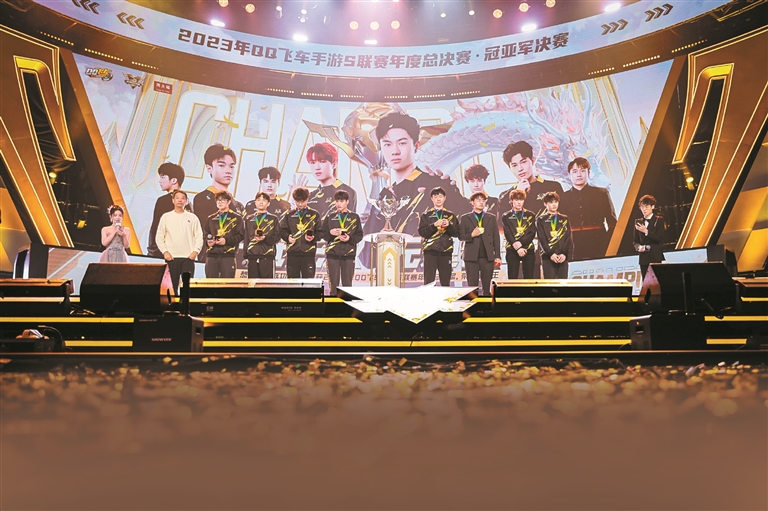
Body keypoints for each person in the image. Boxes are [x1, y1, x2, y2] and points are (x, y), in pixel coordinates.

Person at [364, 112, 470, 237]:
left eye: (402, 143)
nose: (395, 151)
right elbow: (368, 239)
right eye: (387, 144)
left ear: (416, 146)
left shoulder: (436, 185)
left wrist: (453, 195)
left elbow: (468, 224)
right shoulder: (386, 195)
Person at [193, 144, 245, 262]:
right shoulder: (202, 199)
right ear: (209, 168)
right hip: (209, 259)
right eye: (221, 165)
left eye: (231, 166)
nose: (228, 170)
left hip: (232, 261)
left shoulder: (238, 205)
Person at [559, 157, 617, 261]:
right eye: (574, 171)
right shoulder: (562, 197)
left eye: (582, 170)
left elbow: (612, 222)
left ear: (588, 173)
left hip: (599, 245)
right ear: (569, 175)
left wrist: (607, 243)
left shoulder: (601, 193)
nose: (579, 175)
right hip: (571, 247)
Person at [498, 141, 564, 217]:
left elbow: (565, 219)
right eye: (514, 165)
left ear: (532, 160)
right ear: (510, 168)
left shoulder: (553, 187)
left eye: (523, 162)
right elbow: (504, 223)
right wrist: (518, 194)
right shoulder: (504, 198)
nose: (520, 169)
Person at [156, 190, 203, 293]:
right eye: (177, 198)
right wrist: (165, 252)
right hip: (171, 257)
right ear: (173, 200)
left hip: (188, 257)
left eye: (183, 198)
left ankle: (185, 304)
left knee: (187, 288)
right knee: (171, 288)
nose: (180, 200)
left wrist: (195, 252)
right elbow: (159, 237)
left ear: (186, 201)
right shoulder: (166, 217)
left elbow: (199, 236)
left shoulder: (192, 217)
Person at [459, 192, 501, 296]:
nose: (481, 202)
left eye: (483, 200)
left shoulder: (491, 217)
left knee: (487, 286)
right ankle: (473, 304)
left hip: (487, 256)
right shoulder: (465, 218)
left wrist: (497, 256)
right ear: (472, 202)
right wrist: (471, 235)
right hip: (471, 256)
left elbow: (496, 238)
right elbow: (461, 236)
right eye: (478, 200)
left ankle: (486, 304)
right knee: (472, 287)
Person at [322, 190, 364, 296]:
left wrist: (349, 238)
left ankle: (347, 305)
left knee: (347, 285)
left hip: (348, 255)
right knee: (333, 286)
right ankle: (332, 306)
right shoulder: (330, 217)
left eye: (341, 201)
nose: (339, 204)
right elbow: (323, 235)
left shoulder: (354, 217)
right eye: (337, 201)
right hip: (332, 255)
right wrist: (330, 233)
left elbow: (359, 235)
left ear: (347, 201)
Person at [418, 187, 459, 286]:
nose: (438, 199)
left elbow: (456, 233)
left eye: (440, 196)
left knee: (445, 281)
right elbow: (422, 232)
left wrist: (449, 226)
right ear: (432, 199)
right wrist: (434, 225)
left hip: (446, 252)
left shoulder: (451, 215)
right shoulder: (426, 215)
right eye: (435, 196)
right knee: (429, 281)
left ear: (445, 198)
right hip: (430, 252)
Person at [306, 142, 357, 221]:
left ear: (334, 164)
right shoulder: (311, 196)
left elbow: (348, 223)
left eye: (322, 161)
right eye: (313, 162)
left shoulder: (347, 191)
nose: (317, 167)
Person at [280, 187, 323, 279]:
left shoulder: (314, 214)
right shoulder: (289, 215)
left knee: (308, 283)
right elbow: (282, 231)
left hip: (309, 254)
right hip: (292, 254)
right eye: (297, 201)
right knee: (292, 283)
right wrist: (287, 237)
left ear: (307, 199)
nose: (300, 204)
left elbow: (320, 232)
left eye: (302, 201)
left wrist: (313, 238)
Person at [202, 191, 244, 278]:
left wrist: (226, 241)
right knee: (210, 283)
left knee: (227, 283)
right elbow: (206, 234)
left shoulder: (236, 218)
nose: (220, 202)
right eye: (218, 200)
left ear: (229, 201)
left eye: (223, 200)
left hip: (228, 256)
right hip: (212, 255)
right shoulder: (211, 218)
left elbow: (241, 235)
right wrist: (208, 242)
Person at [147, 162, 185, 258]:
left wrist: (152, 250)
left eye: (163, 177)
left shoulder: (163, 200)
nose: (160, 181)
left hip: (162, 252)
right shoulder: (187, 202)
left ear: (174, 180)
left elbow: (156, 227)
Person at [500, 189, 537, 279]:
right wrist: (517, 248)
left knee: (529, 278)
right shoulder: (506, 216)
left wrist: (521, 243)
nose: (519, 202)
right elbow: (508, 233)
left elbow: (532, 232)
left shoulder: (530, 215)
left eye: (521, 200)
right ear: (511, 201)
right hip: (512, 249)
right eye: (516, 200)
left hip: (528, 248)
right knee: (512, 277)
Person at [244, 192, 281, 279]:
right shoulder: (249, 219)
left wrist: (265, 238)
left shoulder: (273, 219)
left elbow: (277, 237)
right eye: (258, 200)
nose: (261, 202)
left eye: (264, 200)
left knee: (267, 284)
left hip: (267, 257)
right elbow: (246, 238)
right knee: (253, 284)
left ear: (268, 203)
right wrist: (246, 256)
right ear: (255, 202)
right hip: (252, 257)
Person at [536, 191, 572, 279]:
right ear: (545, 204)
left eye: (556, 202)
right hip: (548, 257)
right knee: (550, 284)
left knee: (562, 283)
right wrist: (551, 254)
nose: (554, 205)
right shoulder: (541, 219)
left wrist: (564, 254)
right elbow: (542, 239)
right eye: (551, 202)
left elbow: (568, 237)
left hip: (562, 256)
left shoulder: (564, 218)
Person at [633, 194, 667, 279]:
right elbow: (635, 241)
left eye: (646, 206)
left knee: (657, 281)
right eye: (642, 207)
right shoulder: (638, 221)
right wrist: (638, 247)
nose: (644, 209)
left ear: (652, 206)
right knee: (646, 282)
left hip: (655, 256)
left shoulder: (659, 220)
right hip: (643, 258)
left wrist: (646, 232)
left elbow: (660, 238)